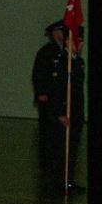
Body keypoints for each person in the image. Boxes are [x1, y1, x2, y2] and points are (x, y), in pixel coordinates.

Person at [32, 19, 84, 189]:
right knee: (54, 139)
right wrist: (42, 94)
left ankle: (67, 180)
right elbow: (43, 77)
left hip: (72, 110)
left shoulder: (76, 61)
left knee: (70, 147)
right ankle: (56, 175)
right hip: (54, 105)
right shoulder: (50, 53)